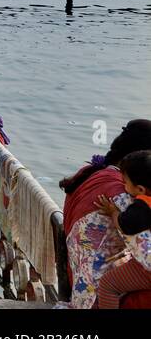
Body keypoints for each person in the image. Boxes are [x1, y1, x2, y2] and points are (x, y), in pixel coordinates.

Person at [60, 119, 151, 308]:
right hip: (98, 296)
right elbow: (144, 250)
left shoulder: (91, 172)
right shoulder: (122, 196)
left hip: (79, 282)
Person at [94, 151, 151, 308]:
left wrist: (113, 211)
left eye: (125, 182)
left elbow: (124, 224)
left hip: (147, 269)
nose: (123, 186)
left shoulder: (143, 206)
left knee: (107, 284)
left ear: (140, 189)